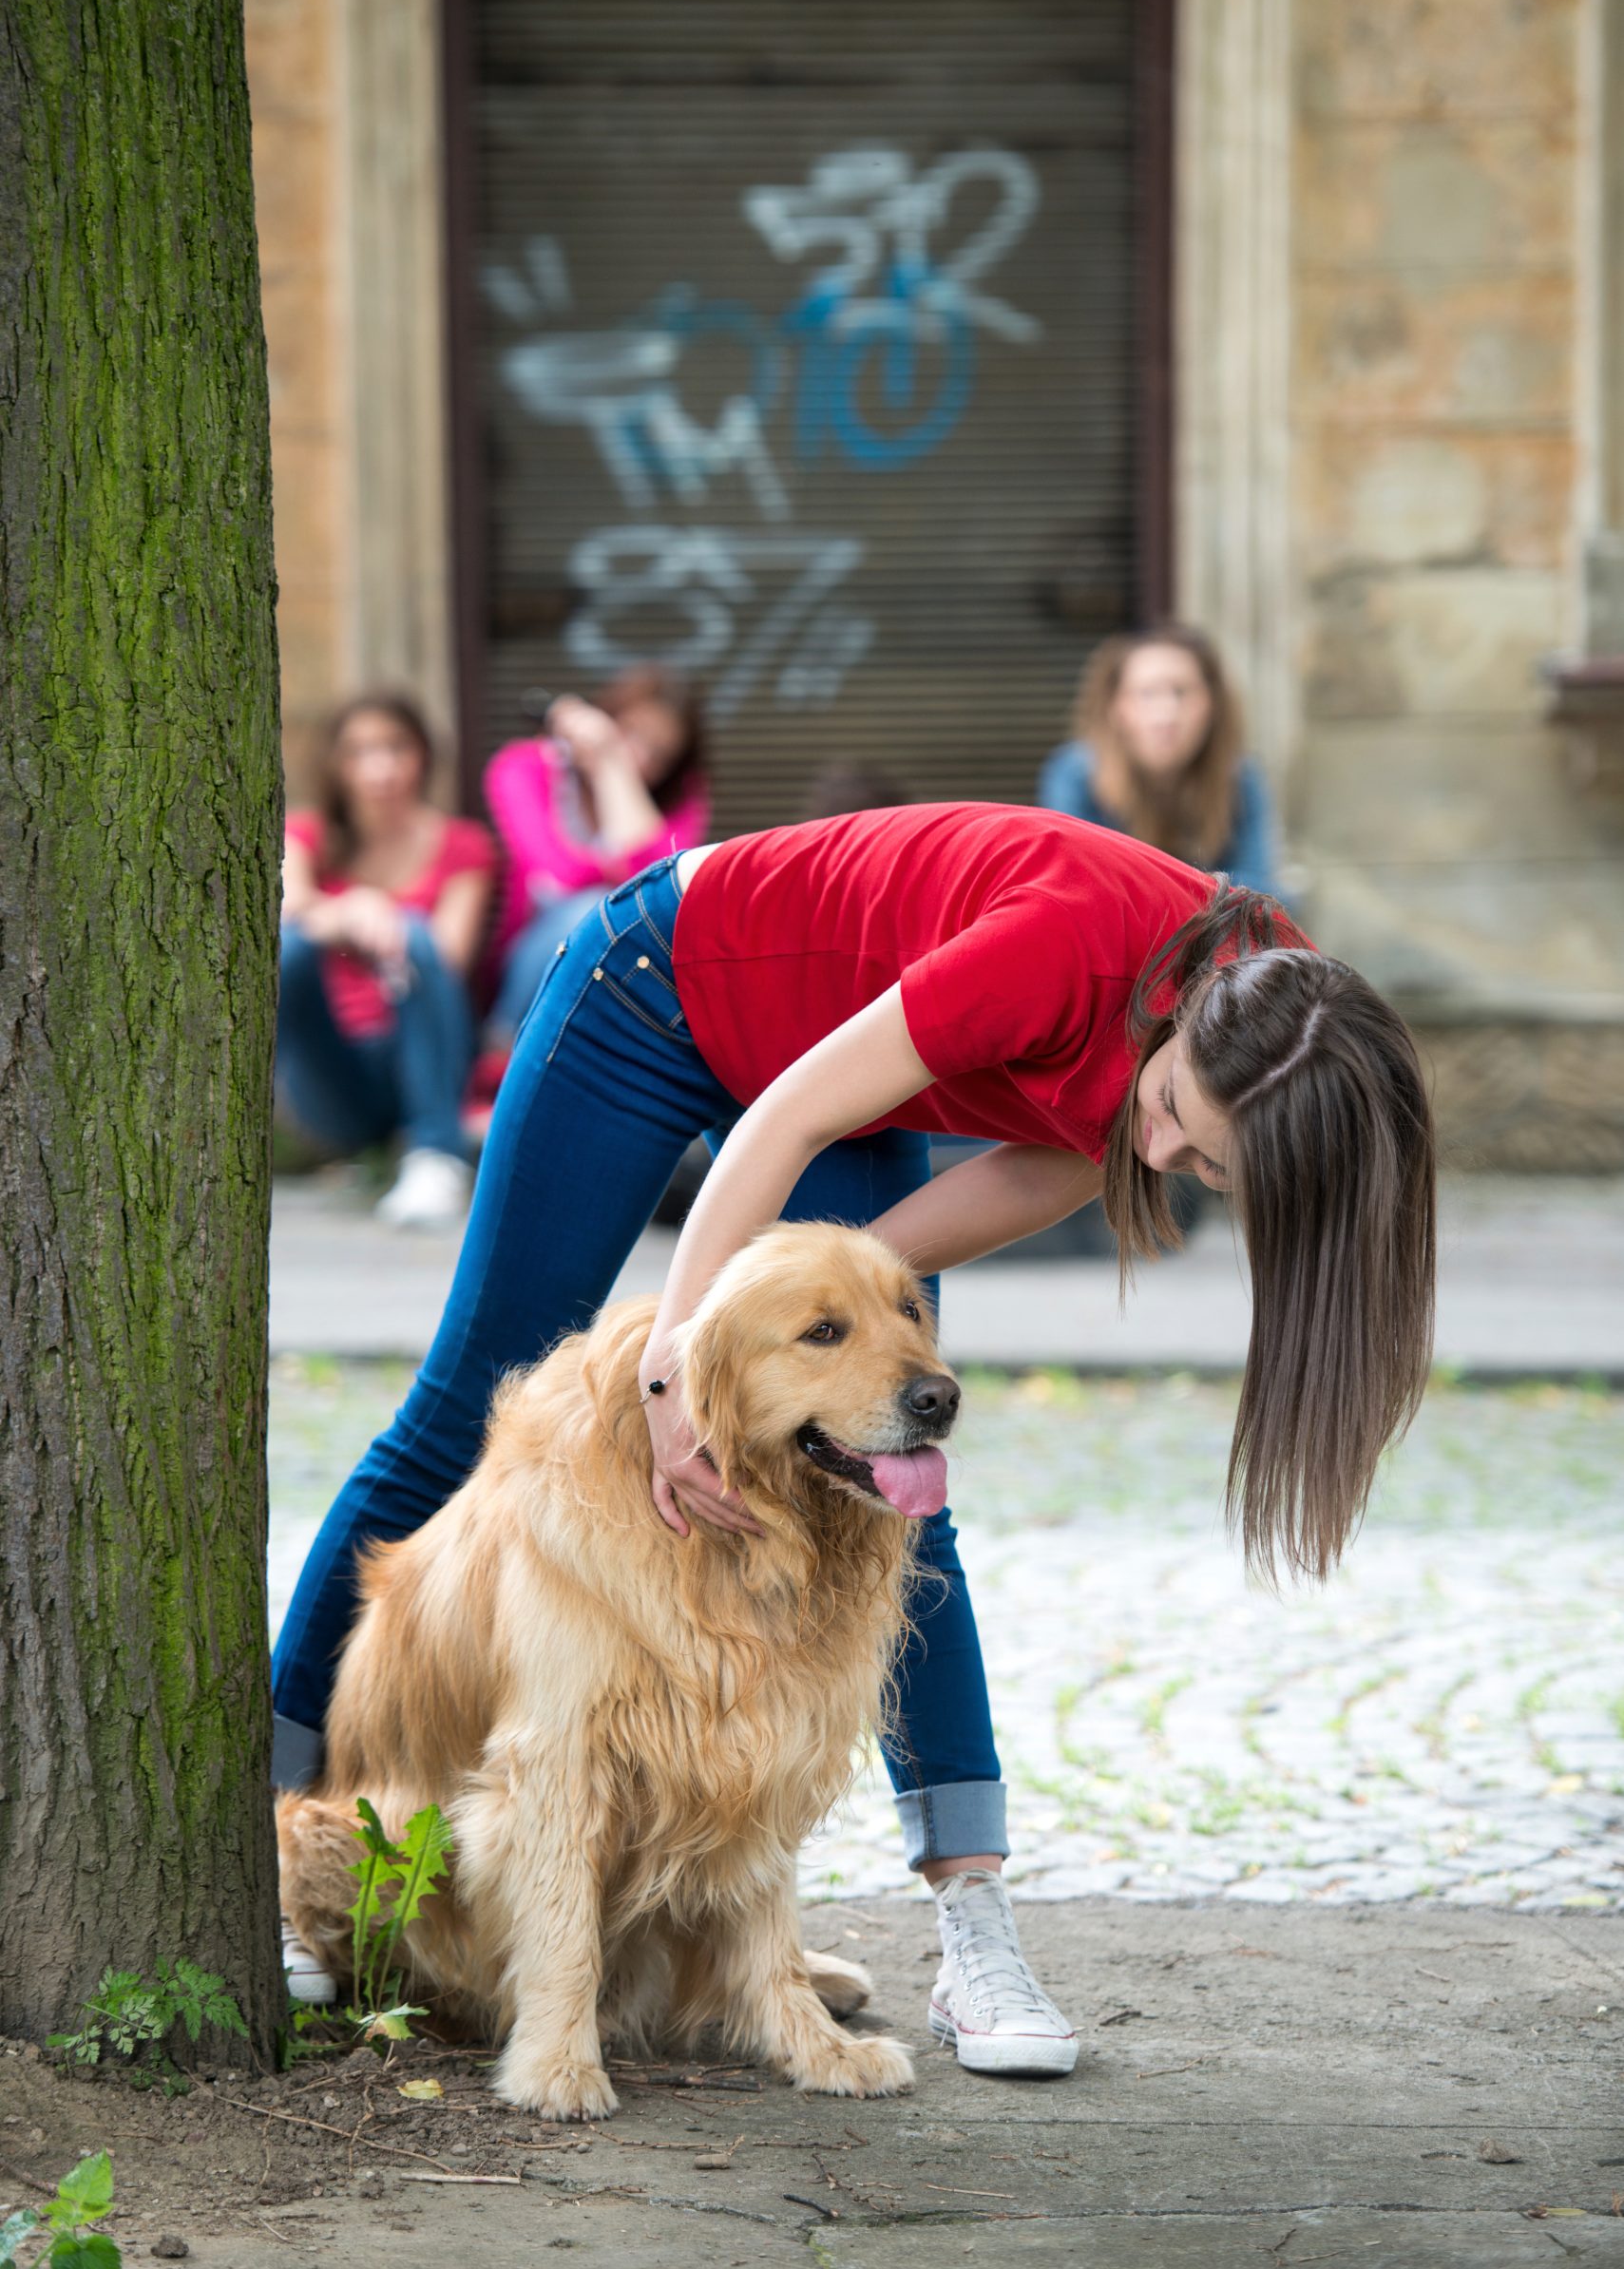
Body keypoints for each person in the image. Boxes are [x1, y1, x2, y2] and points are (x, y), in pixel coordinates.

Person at [273, 804, 1436, 2073]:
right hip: (661, 989)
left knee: (895, 1482)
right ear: (1192, 1032)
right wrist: (679, 1378)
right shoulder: (1068, 947)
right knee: (457, 1408)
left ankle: (974, 1929)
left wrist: (835, 1334)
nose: (1151, 1152)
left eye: (1198, 1167)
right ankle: (256, 1825)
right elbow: (782, 1121)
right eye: (1164, 1108)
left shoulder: (1293, 1030)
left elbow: (1039, 1168)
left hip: (845, 1066)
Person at [278, 695, 497, 1230]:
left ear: (422, 756)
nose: (381, 768)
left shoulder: (463, 845)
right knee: (292, 947)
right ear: (336, 763)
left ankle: (435, 1157)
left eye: (396, 748)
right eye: (360, 751)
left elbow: (446, 961)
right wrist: (356, 908)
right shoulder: (306, 836)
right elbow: (287, 909)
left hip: (419, 1054)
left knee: (418, 937)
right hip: (335, 1068)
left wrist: (390, 927)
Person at [484, 666, 709, 1045]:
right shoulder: (525, 767)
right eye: (630, 735)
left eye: (659, 754)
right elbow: (559, 877)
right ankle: (504, 1043)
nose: (640, 758)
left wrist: (614, 772)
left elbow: (662, 890)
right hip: (529, 969)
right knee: (590, 910)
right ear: (605, 719)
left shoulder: (678, 799)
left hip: (623, 979)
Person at [1040, 624, 1282, 895]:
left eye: (1182, 692)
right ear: (1116, 708)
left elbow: (1258, 892)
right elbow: (1076, 885)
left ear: (1213, 704)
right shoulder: (1077, 774)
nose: (1166, 713)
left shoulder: (1240, 779)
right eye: (1147, 693)